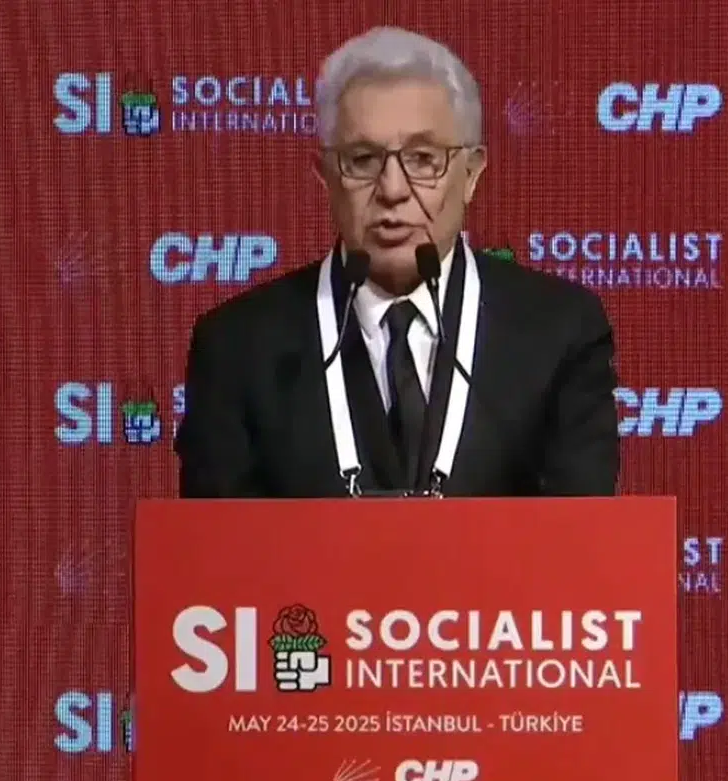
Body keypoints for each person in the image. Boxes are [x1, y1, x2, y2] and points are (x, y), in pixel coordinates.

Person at [175, 26, 618, 498]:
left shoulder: (559, 334)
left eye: (423, 159)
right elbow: (216, 539)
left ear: (471, 174)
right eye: (363, 159)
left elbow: (582, 530)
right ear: (325, 177)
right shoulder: (240, 348)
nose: (392, 190)